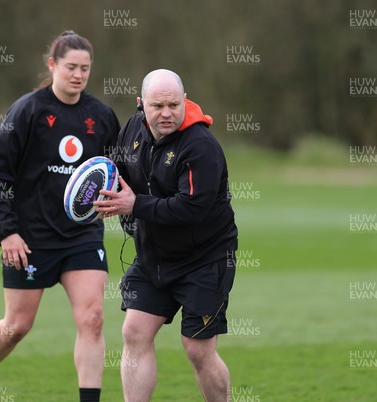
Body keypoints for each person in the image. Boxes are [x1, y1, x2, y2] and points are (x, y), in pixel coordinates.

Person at [0, 31, 120, 402]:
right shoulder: (27, 111)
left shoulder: (102, 116)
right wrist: (6, 231)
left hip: (82, 235)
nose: (78, 75)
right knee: (16, 327)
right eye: (71, 67)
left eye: (85, 69)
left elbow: (119, 169)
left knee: (93, 319)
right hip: (30, 238)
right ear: (52, 65)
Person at [94, 69, 238, 402]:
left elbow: (191, 210)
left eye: (174, 104)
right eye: (157, 105)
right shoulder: (132, 129)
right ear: (141, 104)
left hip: (205, 258)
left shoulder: (201, 147)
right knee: (134, 331)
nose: (167, 113)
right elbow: (117, 169)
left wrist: (135, 206)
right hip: (154, 255)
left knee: (197, 349)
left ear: (184, 102)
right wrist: (100, 190)